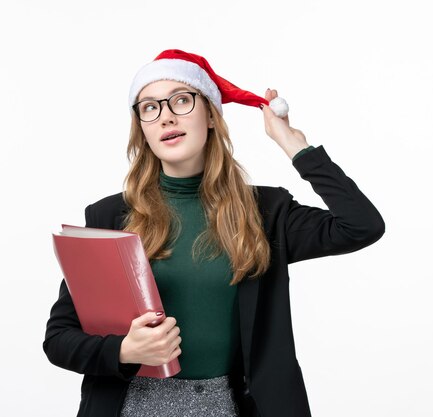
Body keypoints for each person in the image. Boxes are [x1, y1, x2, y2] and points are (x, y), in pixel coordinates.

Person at [43, 49, 385, 417]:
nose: (166, 117)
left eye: (182, 100)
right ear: (141, 127)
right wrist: (125, 351)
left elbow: (361, 226)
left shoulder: (266, 213)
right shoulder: (110, 216)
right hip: (131, 405)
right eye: (150, 107)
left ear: (210, 114)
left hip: (229, 406)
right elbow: (59, 339)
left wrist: (294, 145)